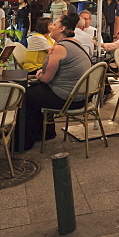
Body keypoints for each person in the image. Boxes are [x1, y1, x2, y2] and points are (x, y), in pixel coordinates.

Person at [21, 13, 92, 150]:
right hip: (82, 96)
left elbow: (46, 78)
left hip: (68, 99)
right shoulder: (75, 43)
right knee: (36, 93)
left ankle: (25, 141)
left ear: (62, 29)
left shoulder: (59, 48)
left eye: (54, 24)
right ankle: (45, 132)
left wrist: (39, 75)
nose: (51, 27)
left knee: (25, 94)